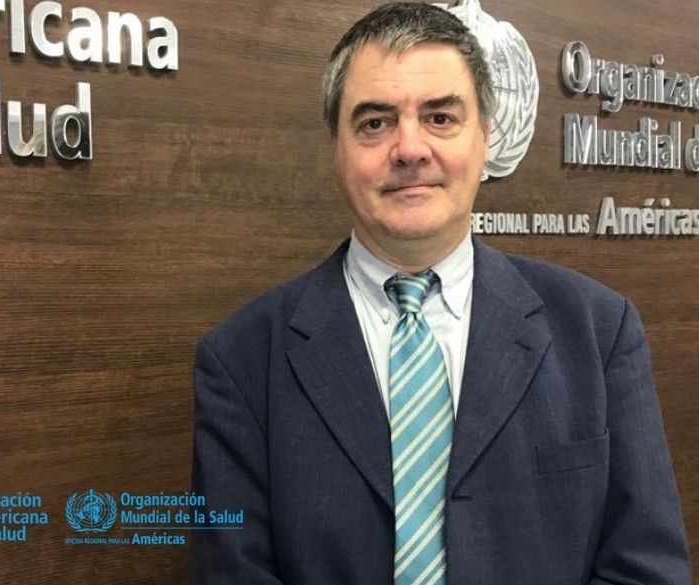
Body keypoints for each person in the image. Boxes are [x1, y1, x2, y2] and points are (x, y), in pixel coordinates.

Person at [190, 3, 691, 584]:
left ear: (485, 138)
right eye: (374, 123)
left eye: (440, 117)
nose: (410, 148)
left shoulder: (599, 331)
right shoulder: (241, 360)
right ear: (336, 147)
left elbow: (646, 568)